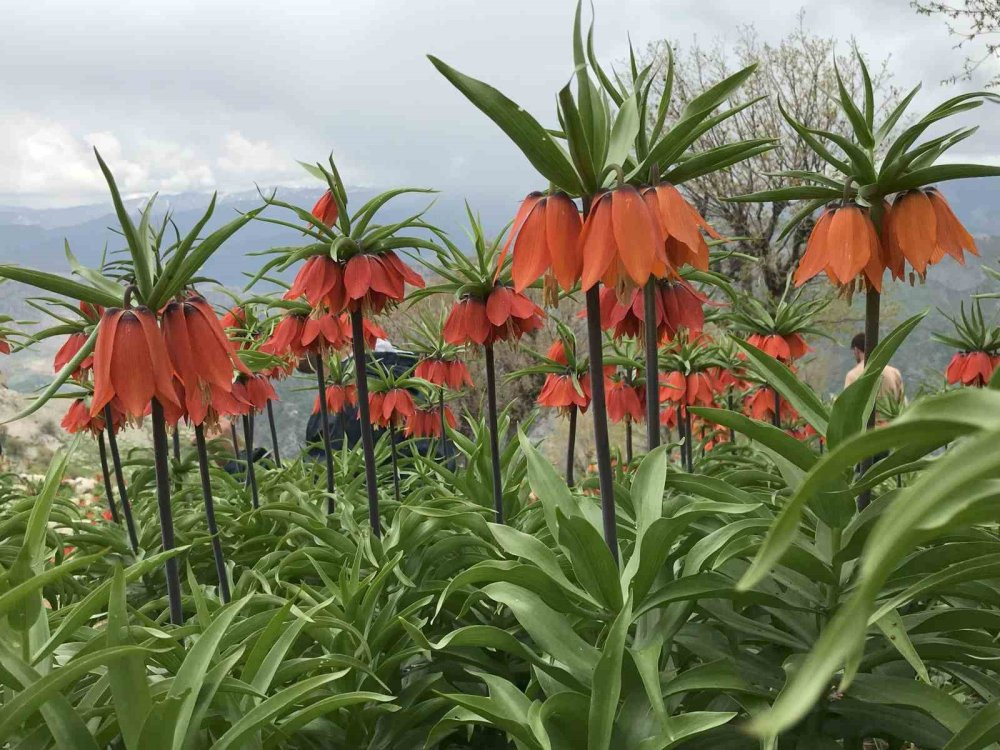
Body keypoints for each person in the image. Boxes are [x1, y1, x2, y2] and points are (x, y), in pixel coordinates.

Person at [844, 332, 904, 403]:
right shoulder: (894, 373)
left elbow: (847, 405)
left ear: (856, 350)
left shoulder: (852, 375)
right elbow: (902, 404)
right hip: (892, 414)